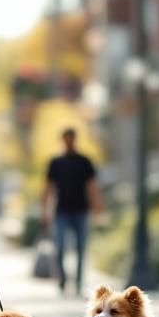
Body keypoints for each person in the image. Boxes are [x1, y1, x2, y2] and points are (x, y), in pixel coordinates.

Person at [40, 127, 104, 296]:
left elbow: (92, 186)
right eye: (66, 138)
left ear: (75, 139)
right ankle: (62, 280)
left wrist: (97, 207)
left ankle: (78, 283)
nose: (69, 141)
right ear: (63, 140)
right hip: (61, 212)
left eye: (71, 138)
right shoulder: (56, 162)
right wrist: (44, 211)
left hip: (81, 211)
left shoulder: (84, 161)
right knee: (59, 248)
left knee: (81, 249)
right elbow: (48, 188)